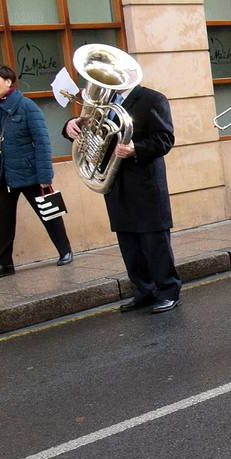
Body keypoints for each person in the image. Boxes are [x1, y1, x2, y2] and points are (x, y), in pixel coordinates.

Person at [63, 79, 181, 313]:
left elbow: (165, 139)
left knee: (154, 241)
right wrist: (69, 125)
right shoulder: (104, 101)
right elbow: (88, 130)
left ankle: (168, 291)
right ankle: (144, 290)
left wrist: (135, 148)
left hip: (145, 183)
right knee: (129, 243)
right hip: (115, 182)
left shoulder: (153, 99)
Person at [0, 66, 73, 280]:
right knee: (3, 220)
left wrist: (45, 176)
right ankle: (4, 264)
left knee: (48, 211)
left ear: (9, 82)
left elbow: (42, 142)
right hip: (2, 175)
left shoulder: (26, 106)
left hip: (30, 171)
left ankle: (65, 250)